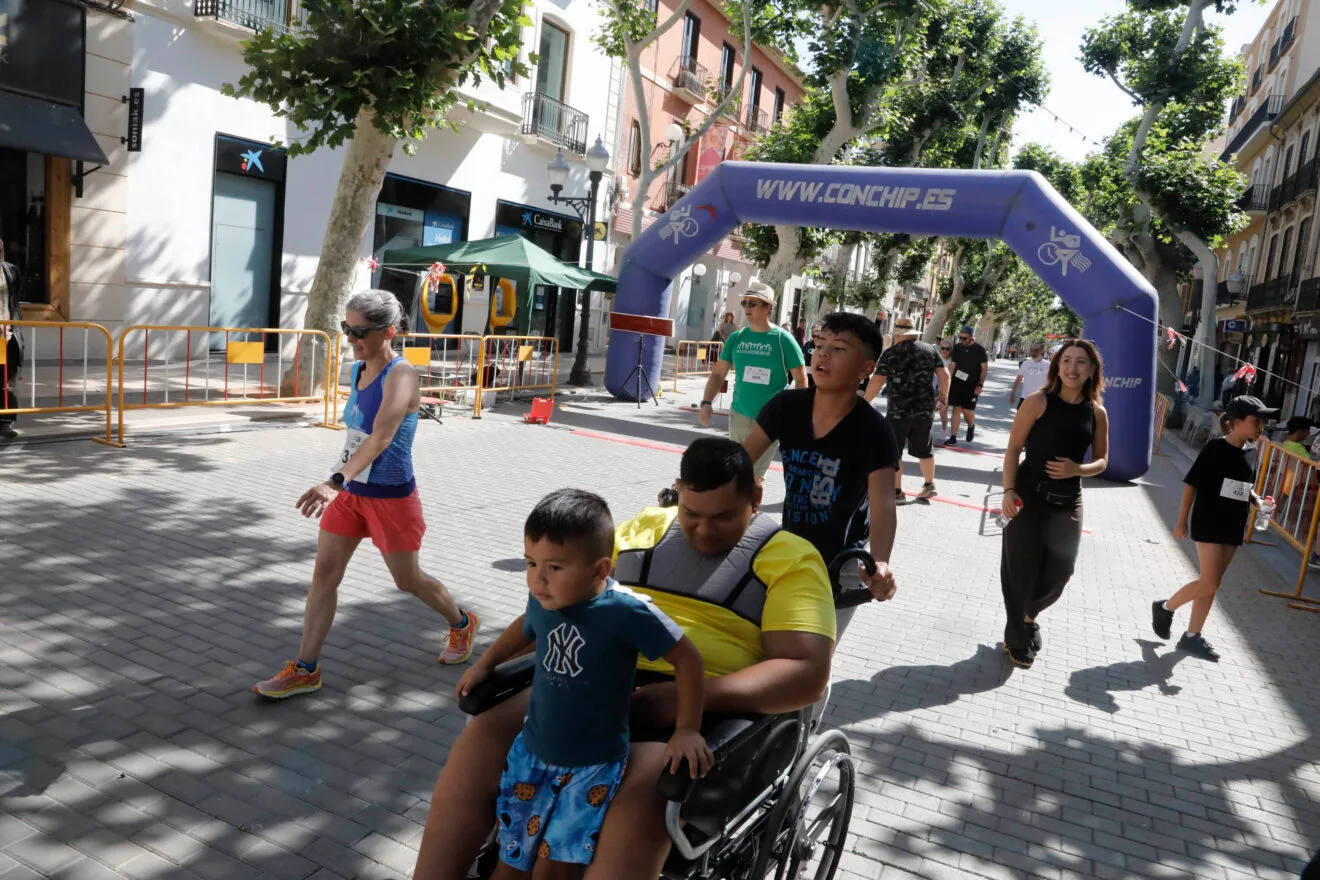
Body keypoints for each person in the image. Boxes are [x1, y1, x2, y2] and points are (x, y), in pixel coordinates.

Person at [413, 438, 837, 880]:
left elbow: (807, 674)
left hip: (703, 706)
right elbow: (561, 601)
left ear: (755, 498)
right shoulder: (645, 529)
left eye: (724, 516)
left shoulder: (792, 558)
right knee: (483, 735)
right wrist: (495, 663)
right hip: (593, 679)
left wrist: (687, 700)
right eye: (692, 513)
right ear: (678, 490)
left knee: (647, 791)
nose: (704, 531)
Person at [456, 489, 713, 879]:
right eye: (530, 563)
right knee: (508, 863)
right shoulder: (544, 598)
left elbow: (688, 660)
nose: (538, 579)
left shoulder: (626, 611)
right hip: (531, 755)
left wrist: (687, 729)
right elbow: (524, 629)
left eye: (554, 567)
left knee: (551, 872)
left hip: (592, 768)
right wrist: (486, 664)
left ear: (600, 570)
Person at [254, 290, 478, 699]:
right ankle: (306, 669)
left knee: (406, 580)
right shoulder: (358, 369)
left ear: (388, 331)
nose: (350, 337)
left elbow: (380, 438)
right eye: (346, 328)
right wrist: (343, 483)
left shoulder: (401, 375)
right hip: (352, 492)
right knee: (324, 575)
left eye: (359, 331)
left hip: (391, 497)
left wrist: (332, 481)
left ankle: (462, 623)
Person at [743, 311, 900, 633]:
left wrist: (881, 563)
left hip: (842, 564)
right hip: (788, 547)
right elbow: (740, 462)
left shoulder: (874, 430)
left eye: (839, 348)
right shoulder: (785, 406)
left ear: (866, 368)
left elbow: (883, 503)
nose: (823, 354)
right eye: (819, 344)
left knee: (814, 656)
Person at [999, 339, 1110, 669]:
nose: (1072, 368)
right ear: (1057, 366)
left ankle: (1029, 616)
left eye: (1080, 363)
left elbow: (1103, 460)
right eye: (1067, 361)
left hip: (1067, 499)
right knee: (1020, 566)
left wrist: (1079, 469)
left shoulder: (1097, 412)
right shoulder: (1037, 402)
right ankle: (1016, 635)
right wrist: (1007, 491)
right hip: (1027, 493)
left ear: (1092, 370)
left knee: (1062, 569)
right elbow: (1012, 449)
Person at [1152, 395, 1277, 662]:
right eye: (1257, 420)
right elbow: (1192, 484)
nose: (1262, 426)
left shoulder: (1252, 452)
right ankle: (1165, 607)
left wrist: (1256, 499)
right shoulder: (1215, 449)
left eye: (1264, 421)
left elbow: (1242, 485)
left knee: (1212, 584)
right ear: (1237, 422)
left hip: (1234, 523)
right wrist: (1181, 521)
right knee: (1209, 581)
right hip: (1209, 520)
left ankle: (1192, 636)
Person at [698, 281, 807, 479]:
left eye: (753, 304)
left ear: (768, 308)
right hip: (739, 415)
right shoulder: (736, 338)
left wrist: (795, 417)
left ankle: (750, 510)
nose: (747, 308)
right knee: (736, 474)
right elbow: (717, 374)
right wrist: (706, 402)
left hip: (769, 419)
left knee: (754, 478)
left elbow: (801, 380)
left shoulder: (783, 339)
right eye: (745, 303)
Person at [864, 316, 948, 502]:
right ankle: (929, 484)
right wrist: (943, 397)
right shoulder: (930, 351)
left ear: (899, 335)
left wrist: (864, 403)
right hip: (925, 410)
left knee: (895, 451)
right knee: (926, 449)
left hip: (897, 412)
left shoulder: (890, 354)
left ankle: (896, 492)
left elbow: (877, 381)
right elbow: (945, 375)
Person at [943, 325, 988, 446]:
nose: (962, 340)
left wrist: (980, 385)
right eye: (961, 338)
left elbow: (984, 369)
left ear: (971, 337)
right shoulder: (957, 348)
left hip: (972, 385)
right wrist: (948, 381)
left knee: (967, 410)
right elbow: (953, 365)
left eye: (965, 338)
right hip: (957, 383)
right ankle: (953, 437)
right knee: (956, 409)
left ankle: (971, 425)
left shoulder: (979, 350)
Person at [0, 240, 23, 441]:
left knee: (5, 378)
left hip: (4, 335)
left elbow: (15, 297)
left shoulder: (10, 270)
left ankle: (5, 422)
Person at [1010, 342, 1050, 410]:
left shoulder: (1048, 365)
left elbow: (1052, 382)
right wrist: (1013, 394)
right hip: (1025, 398)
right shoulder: (1025, 364)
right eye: (1031, 350)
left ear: (1042, 351)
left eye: (1036, 350)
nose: (1033, 352)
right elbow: (1018, 379)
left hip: (1041, 400)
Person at [937, 339, 954, 434]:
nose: (945, 350)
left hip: (945, 389)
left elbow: (949, 377)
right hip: (934, 388)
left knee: (942, 412)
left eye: (948, 349)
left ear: (951, 350)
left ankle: (944, 429)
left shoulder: (952, 361)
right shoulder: (936, 358)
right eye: (943, 348)